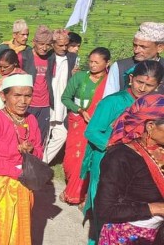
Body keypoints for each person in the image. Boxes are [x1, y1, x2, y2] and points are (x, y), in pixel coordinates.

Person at [82, 60, 164, 245]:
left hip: (139, 158)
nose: (142, 88)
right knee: (104, 210)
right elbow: (91, 131)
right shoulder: (113, 101)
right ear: (131, 79)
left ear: (158, 86)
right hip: (107, 157)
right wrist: (115, 144)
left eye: (149, 85)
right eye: (139, 82)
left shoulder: (157, 106)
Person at [0, 74, 44, 244]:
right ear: (3, 96)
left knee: (21, 225)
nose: (23, 101)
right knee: (0, 227)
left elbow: (39, 151)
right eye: (17, 95)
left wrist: (30, 151)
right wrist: (17, 173)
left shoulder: (31, 119)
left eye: (27, 95)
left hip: (23, 181)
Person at [94, 94, 164, 244]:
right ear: (150, 126)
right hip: (126, 236)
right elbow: (105, 209)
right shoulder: (121, 157)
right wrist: (155, 208)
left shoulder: (161, 150)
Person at [59, 47, 110, 205]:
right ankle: (72, 187)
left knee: (88, 158)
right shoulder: (80, 77)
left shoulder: (110, 83)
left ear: (107, 63)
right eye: (90, 61)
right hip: (78, 123)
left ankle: (78, 194)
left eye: (96, 62)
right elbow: (65, 98)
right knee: (71, 158)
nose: (92, 65)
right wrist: (80, 110)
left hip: (98, 125)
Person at [43, 28, 78, 164]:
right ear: (53, 44)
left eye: (66, 45)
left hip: (63, 104)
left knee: (61, 135)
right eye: (60, 45)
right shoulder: (47, 58)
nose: (64, 48)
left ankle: (42, 162)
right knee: (44, 135)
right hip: (48, 102)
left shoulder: (72, 59)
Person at [103, 22, 164, 97]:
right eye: (135, 45)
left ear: (159, 48)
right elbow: (108, 101)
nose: (136, 50)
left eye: (143, 47)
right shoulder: (120, 67)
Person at [24, 25, 53, 143]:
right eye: (41, 44)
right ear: (34, 42)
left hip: (45, 104)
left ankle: (37, 160)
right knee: (25, 134)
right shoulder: (25, 56)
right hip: (28, 103)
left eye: (48, 44)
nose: (45, 48)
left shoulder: (51, 58)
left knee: (41, 135)